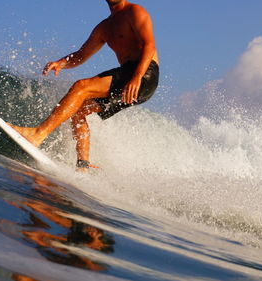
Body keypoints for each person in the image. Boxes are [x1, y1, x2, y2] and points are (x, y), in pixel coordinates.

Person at [10, 0, 159, 171]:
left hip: (144, 74)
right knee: (78, 109)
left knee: (81, 86)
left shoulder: (135, 12)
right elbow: (82, 55)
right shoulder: (104, 27)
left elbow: (149, 45)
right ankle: (83, 165)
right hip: (130, 77)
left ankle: (38, 134)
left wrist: (137, 77)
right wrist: (61, 63)